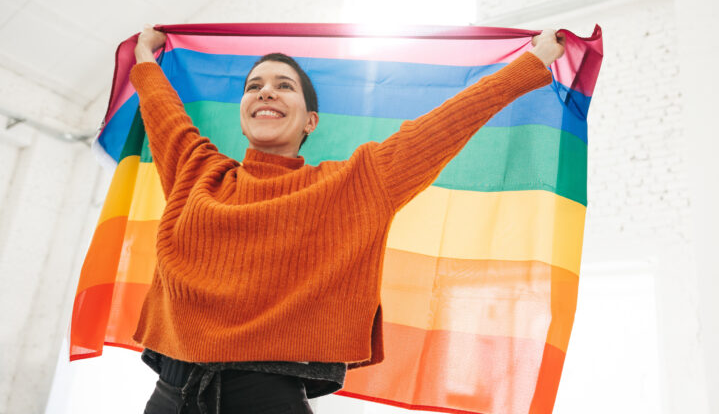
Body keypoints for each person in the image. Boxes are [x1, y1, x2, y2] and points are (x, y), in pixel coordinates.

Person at [131, 26, 564, 414]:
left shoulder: (354, 184)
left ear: (311, 121)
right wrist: (146, 57)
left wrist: (532, 63)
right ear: (242, 115)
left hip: (263, 397)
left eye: (284, 86)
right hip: (170, 394)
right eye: (254, 86)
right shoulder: (198, 173)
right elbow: (161, 111)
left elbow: (443, 127)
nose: (266, 92)